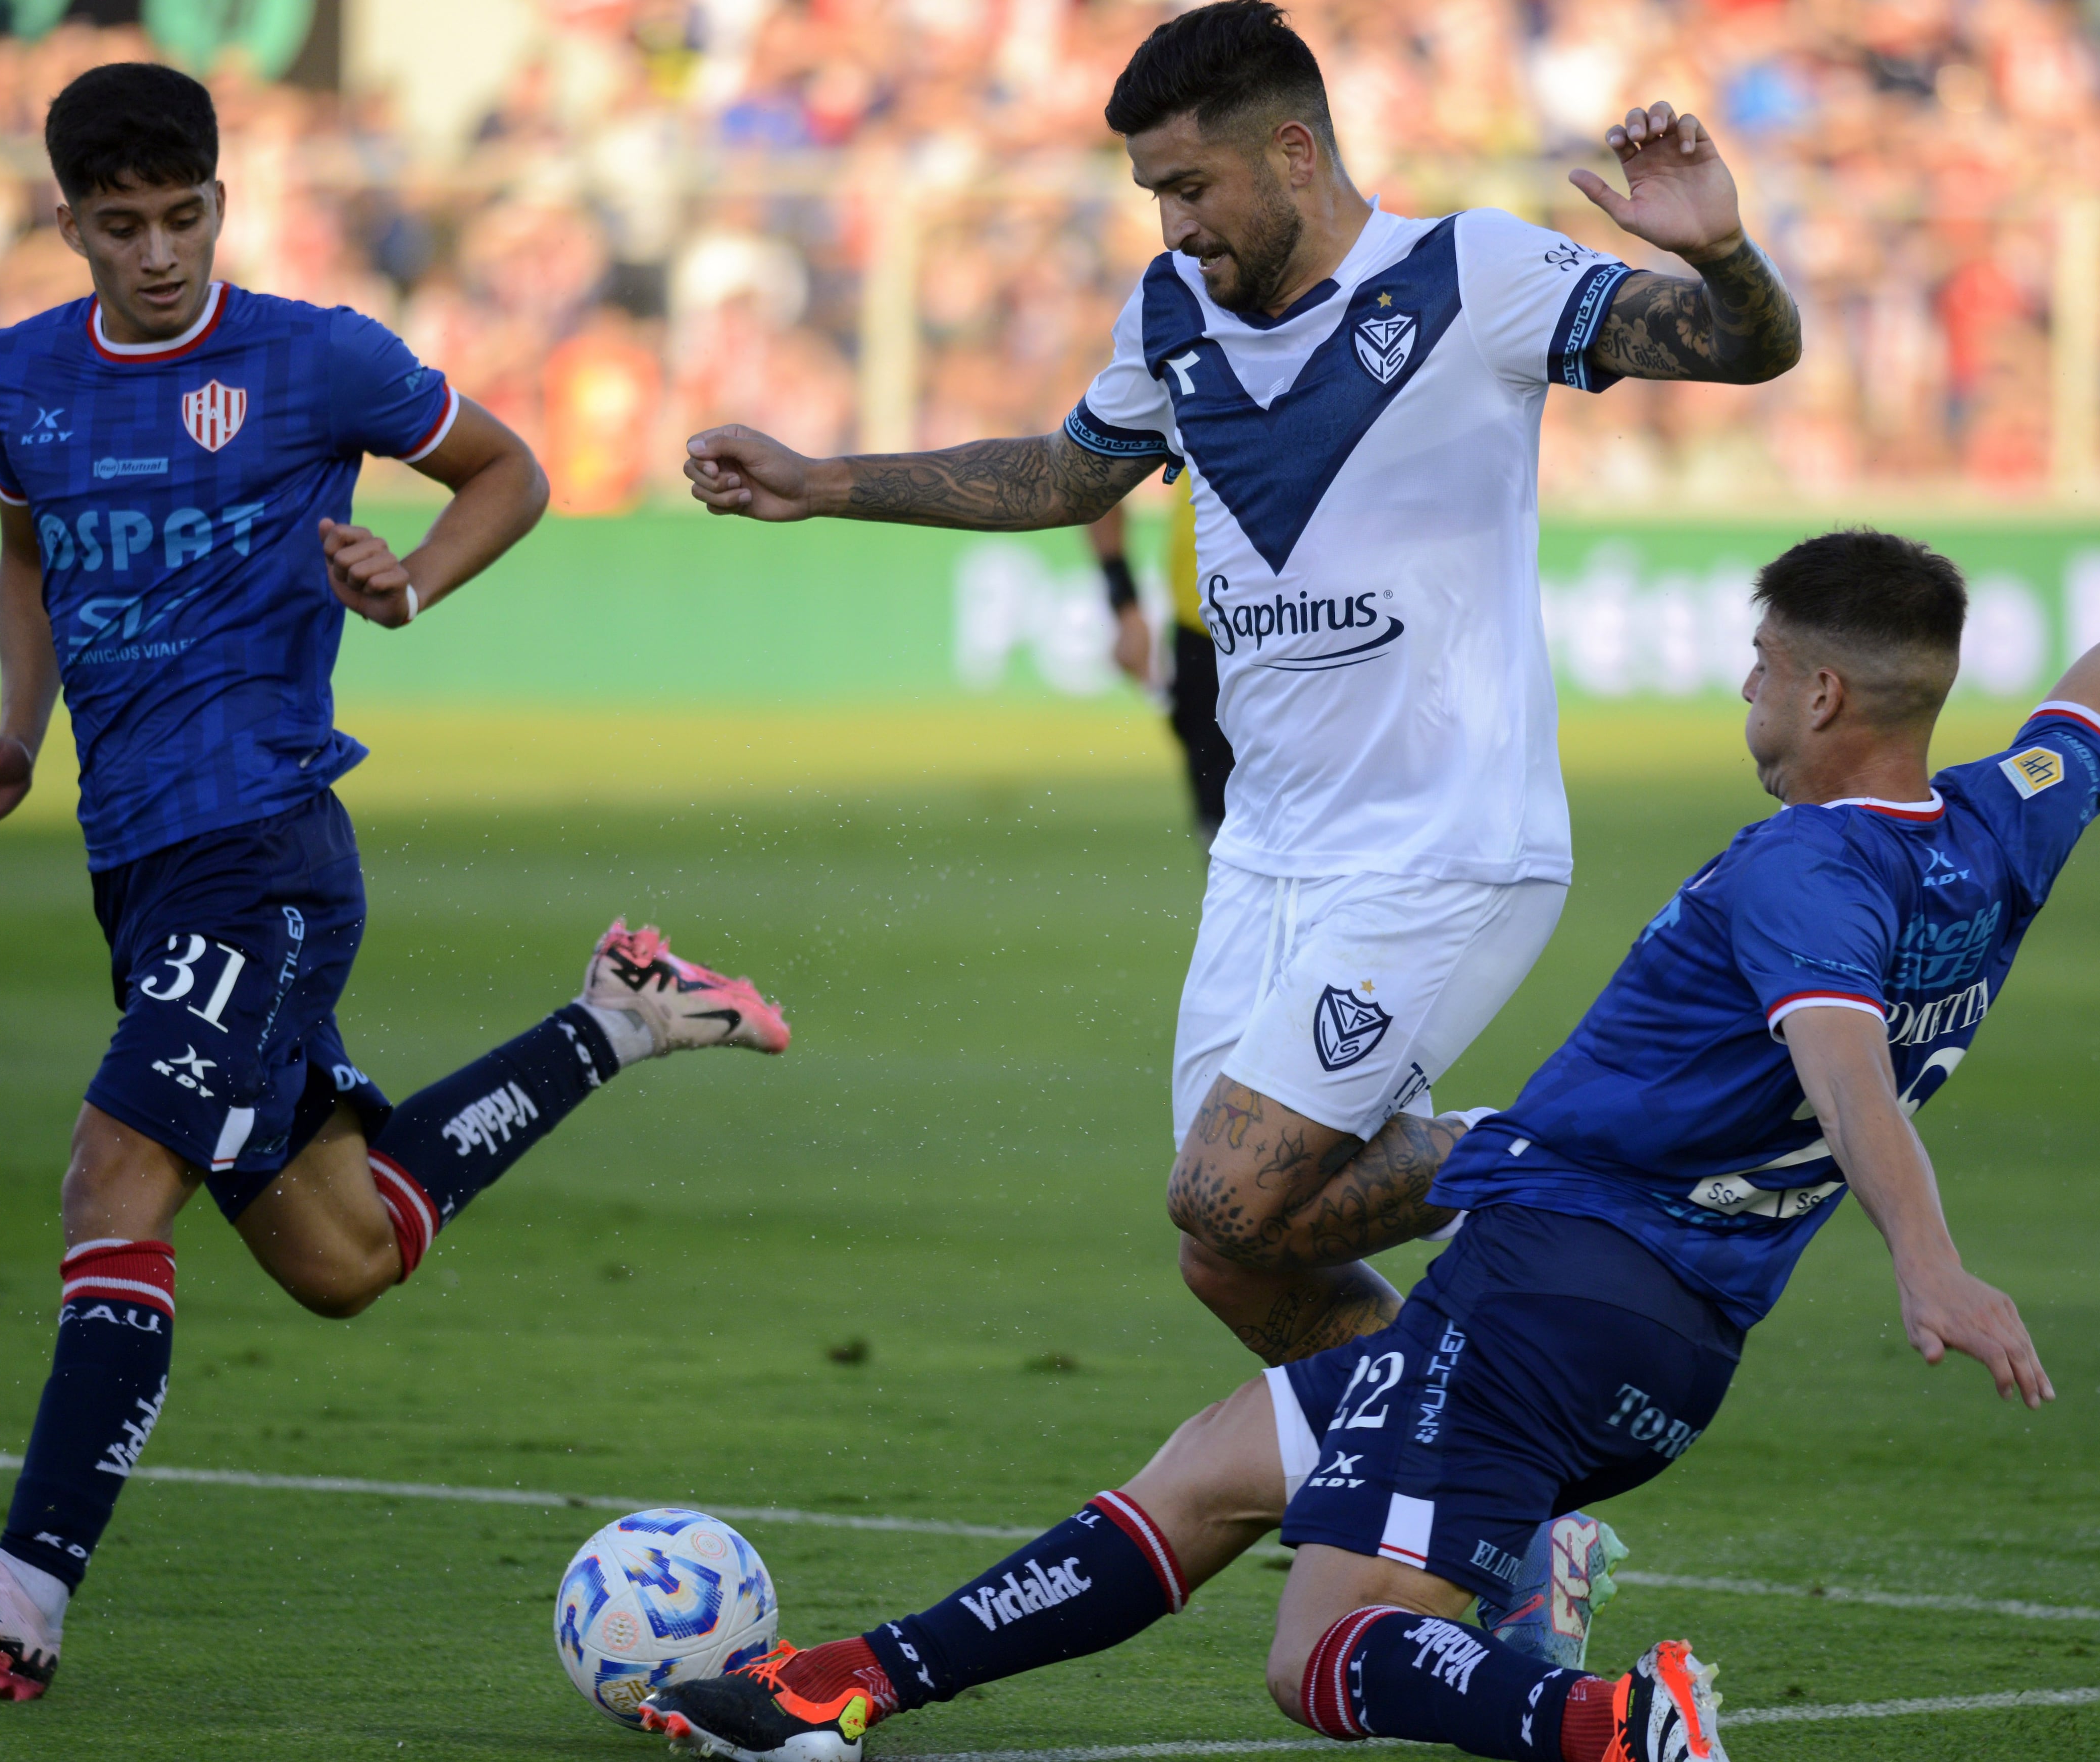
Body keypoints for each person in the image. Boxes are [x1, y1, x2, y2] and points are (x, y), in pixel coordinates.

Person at [630, 335, 2100, 1762]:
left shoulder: (1804, 868)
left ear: (1831, 692)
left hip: (1560, 1288)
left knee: (1323, 1658)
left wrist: (1933, 1260)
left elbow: (1844, 1060)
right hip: (1658, 1319)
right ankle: (839, 1691)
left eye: (1765, 665)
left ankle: (1618, 1725)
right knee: (1211, 1467)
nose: (1747, 689)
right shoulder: (2009, 821)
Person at [682, 1, 1802, 1368]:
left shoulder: (1474, 275)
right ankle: (1493, 1516)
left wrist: (1727, 255)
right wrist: (823, 481)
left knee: (1229, 1189)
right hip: (1267, 859)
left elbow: (1746, 346)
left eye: (1190, 187)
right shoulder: (1171, 317)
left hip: (1445, 851)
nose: (1172, 226)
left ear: (1292, 152)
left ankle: (1626, 1137)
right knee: (1233, 1255)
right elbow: (1062, 473)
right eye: (1153, 193)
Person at [0, 63, 791, 1703]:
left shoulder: (317, 359)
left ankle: (26, 1586)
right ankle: (612, 1024)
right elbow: (27, 554)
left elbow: (510, 471)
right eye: (123, 225)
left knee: (111, 1187)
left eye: (186, 217)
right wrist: (17, 740)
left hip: (265, 857)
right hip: (140, 873)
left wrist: (412, 582)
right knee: (339, 1257)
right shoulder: (18, 378)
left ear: (225, 202)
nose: (160, 254)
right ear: (69, 221)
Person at [1085, 475, 1237, 853]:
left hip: (1329, 638)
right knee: (1222, 839)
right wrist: (1125, 606)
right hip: (1205, 642)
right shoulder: (1178, 411)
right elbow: (1092, 475)